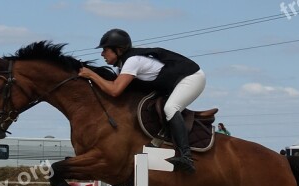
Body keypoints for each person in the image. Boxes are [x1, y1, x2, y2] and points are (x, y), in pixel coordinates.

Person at [78, 28, 206, 174]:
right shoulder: (123, 67)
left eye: (105, 50)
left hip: (192, 77)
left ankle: (186, 156)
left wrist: (91, 75)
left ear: (118, 49)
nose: (102, 54)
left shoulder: (133, 61)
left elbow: (114, 90)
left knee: (170, 108)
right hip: (172, 83)